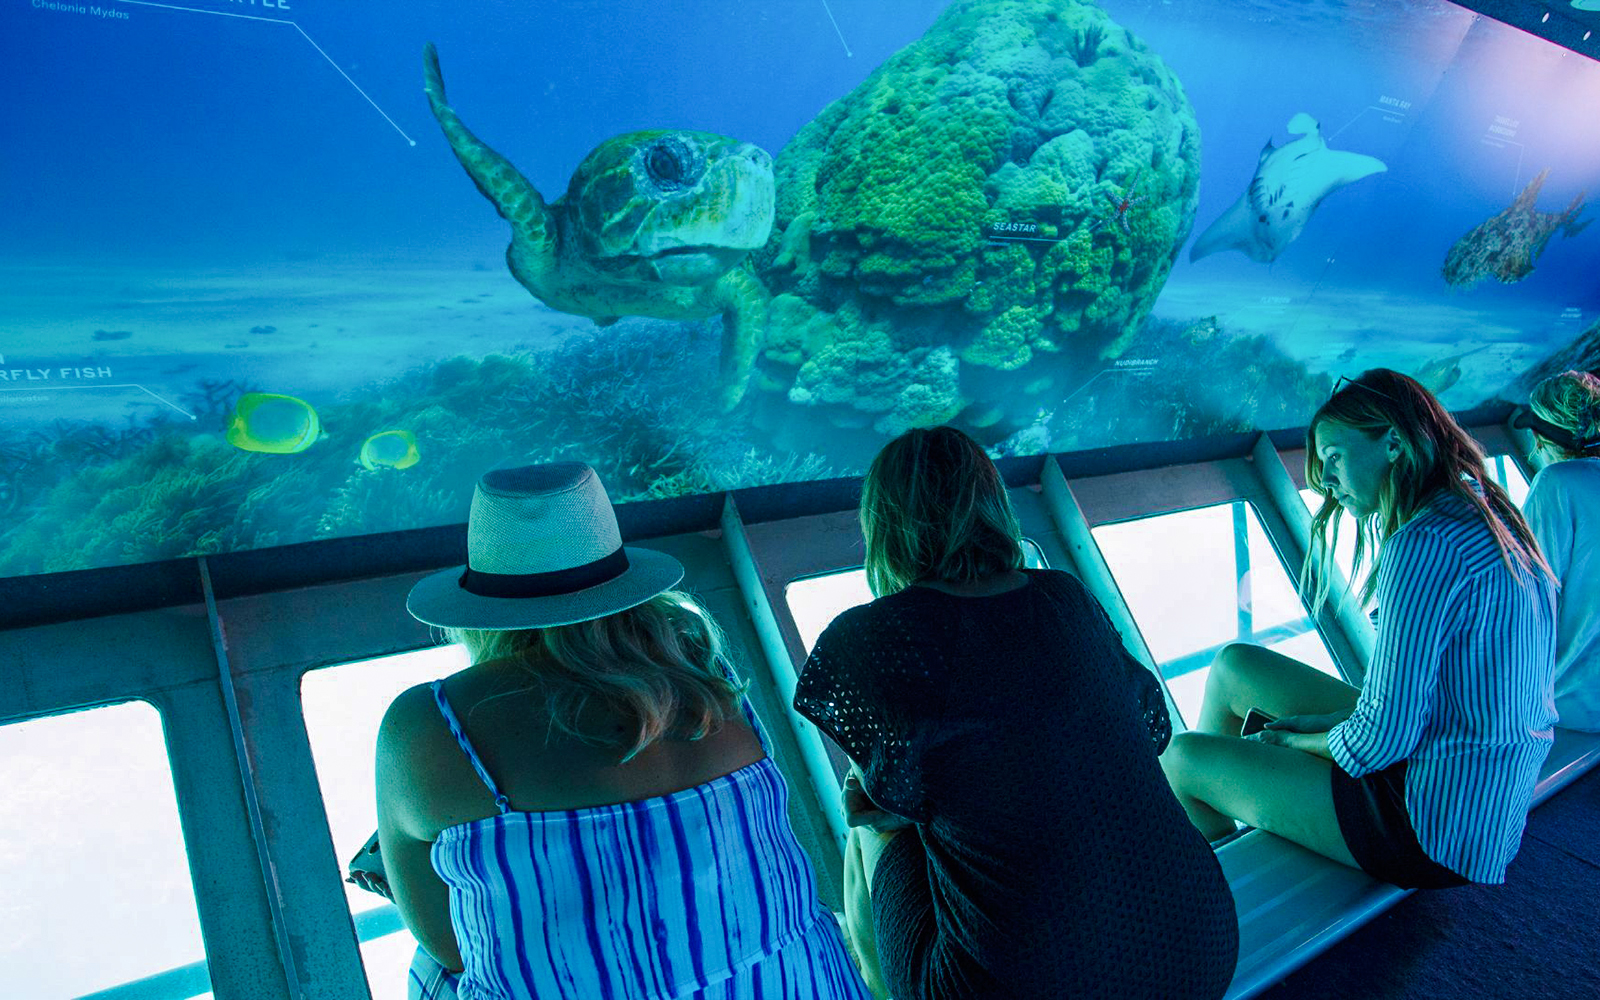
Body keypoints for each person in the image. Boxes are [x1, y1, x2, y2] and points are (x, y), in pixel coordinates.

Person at [371, 462, 871, 999]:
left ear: (480, 609)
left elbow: (450, 948)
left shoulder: (429, 721)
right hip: (798, 982)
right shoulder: (706, 676)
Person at [792, 426, 1239, 1000]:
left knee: (867, 812)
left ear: (883, 525)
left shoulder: (870, 639)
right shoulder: (1068, 597)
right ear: (992, 503)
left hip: (1020, 987)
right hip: (1200, 951)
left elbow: (880, 807)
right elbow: (1147, 732)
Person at [1160, 369, 1557, 889]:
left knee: (1181, 756)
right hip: (1476, 793)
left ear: (1393, 442)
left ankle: (1228, 900)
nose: (1325, 480)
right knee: (1236, 665)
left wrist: (1293, 744)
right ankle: (1234, 814)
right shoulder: (1481, 514)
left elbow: (1379, 742)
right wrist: (1316, 729)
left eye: (1334, 458)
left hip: (1431, 825)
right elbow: (1424, 708)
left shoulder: (1422, 544)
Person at [1517, 370, 1600, 731]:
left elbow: (1528, 594)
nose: (1534, 447)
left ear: (1542, 439)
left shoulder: (1556, 483)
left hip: (1577, 703)